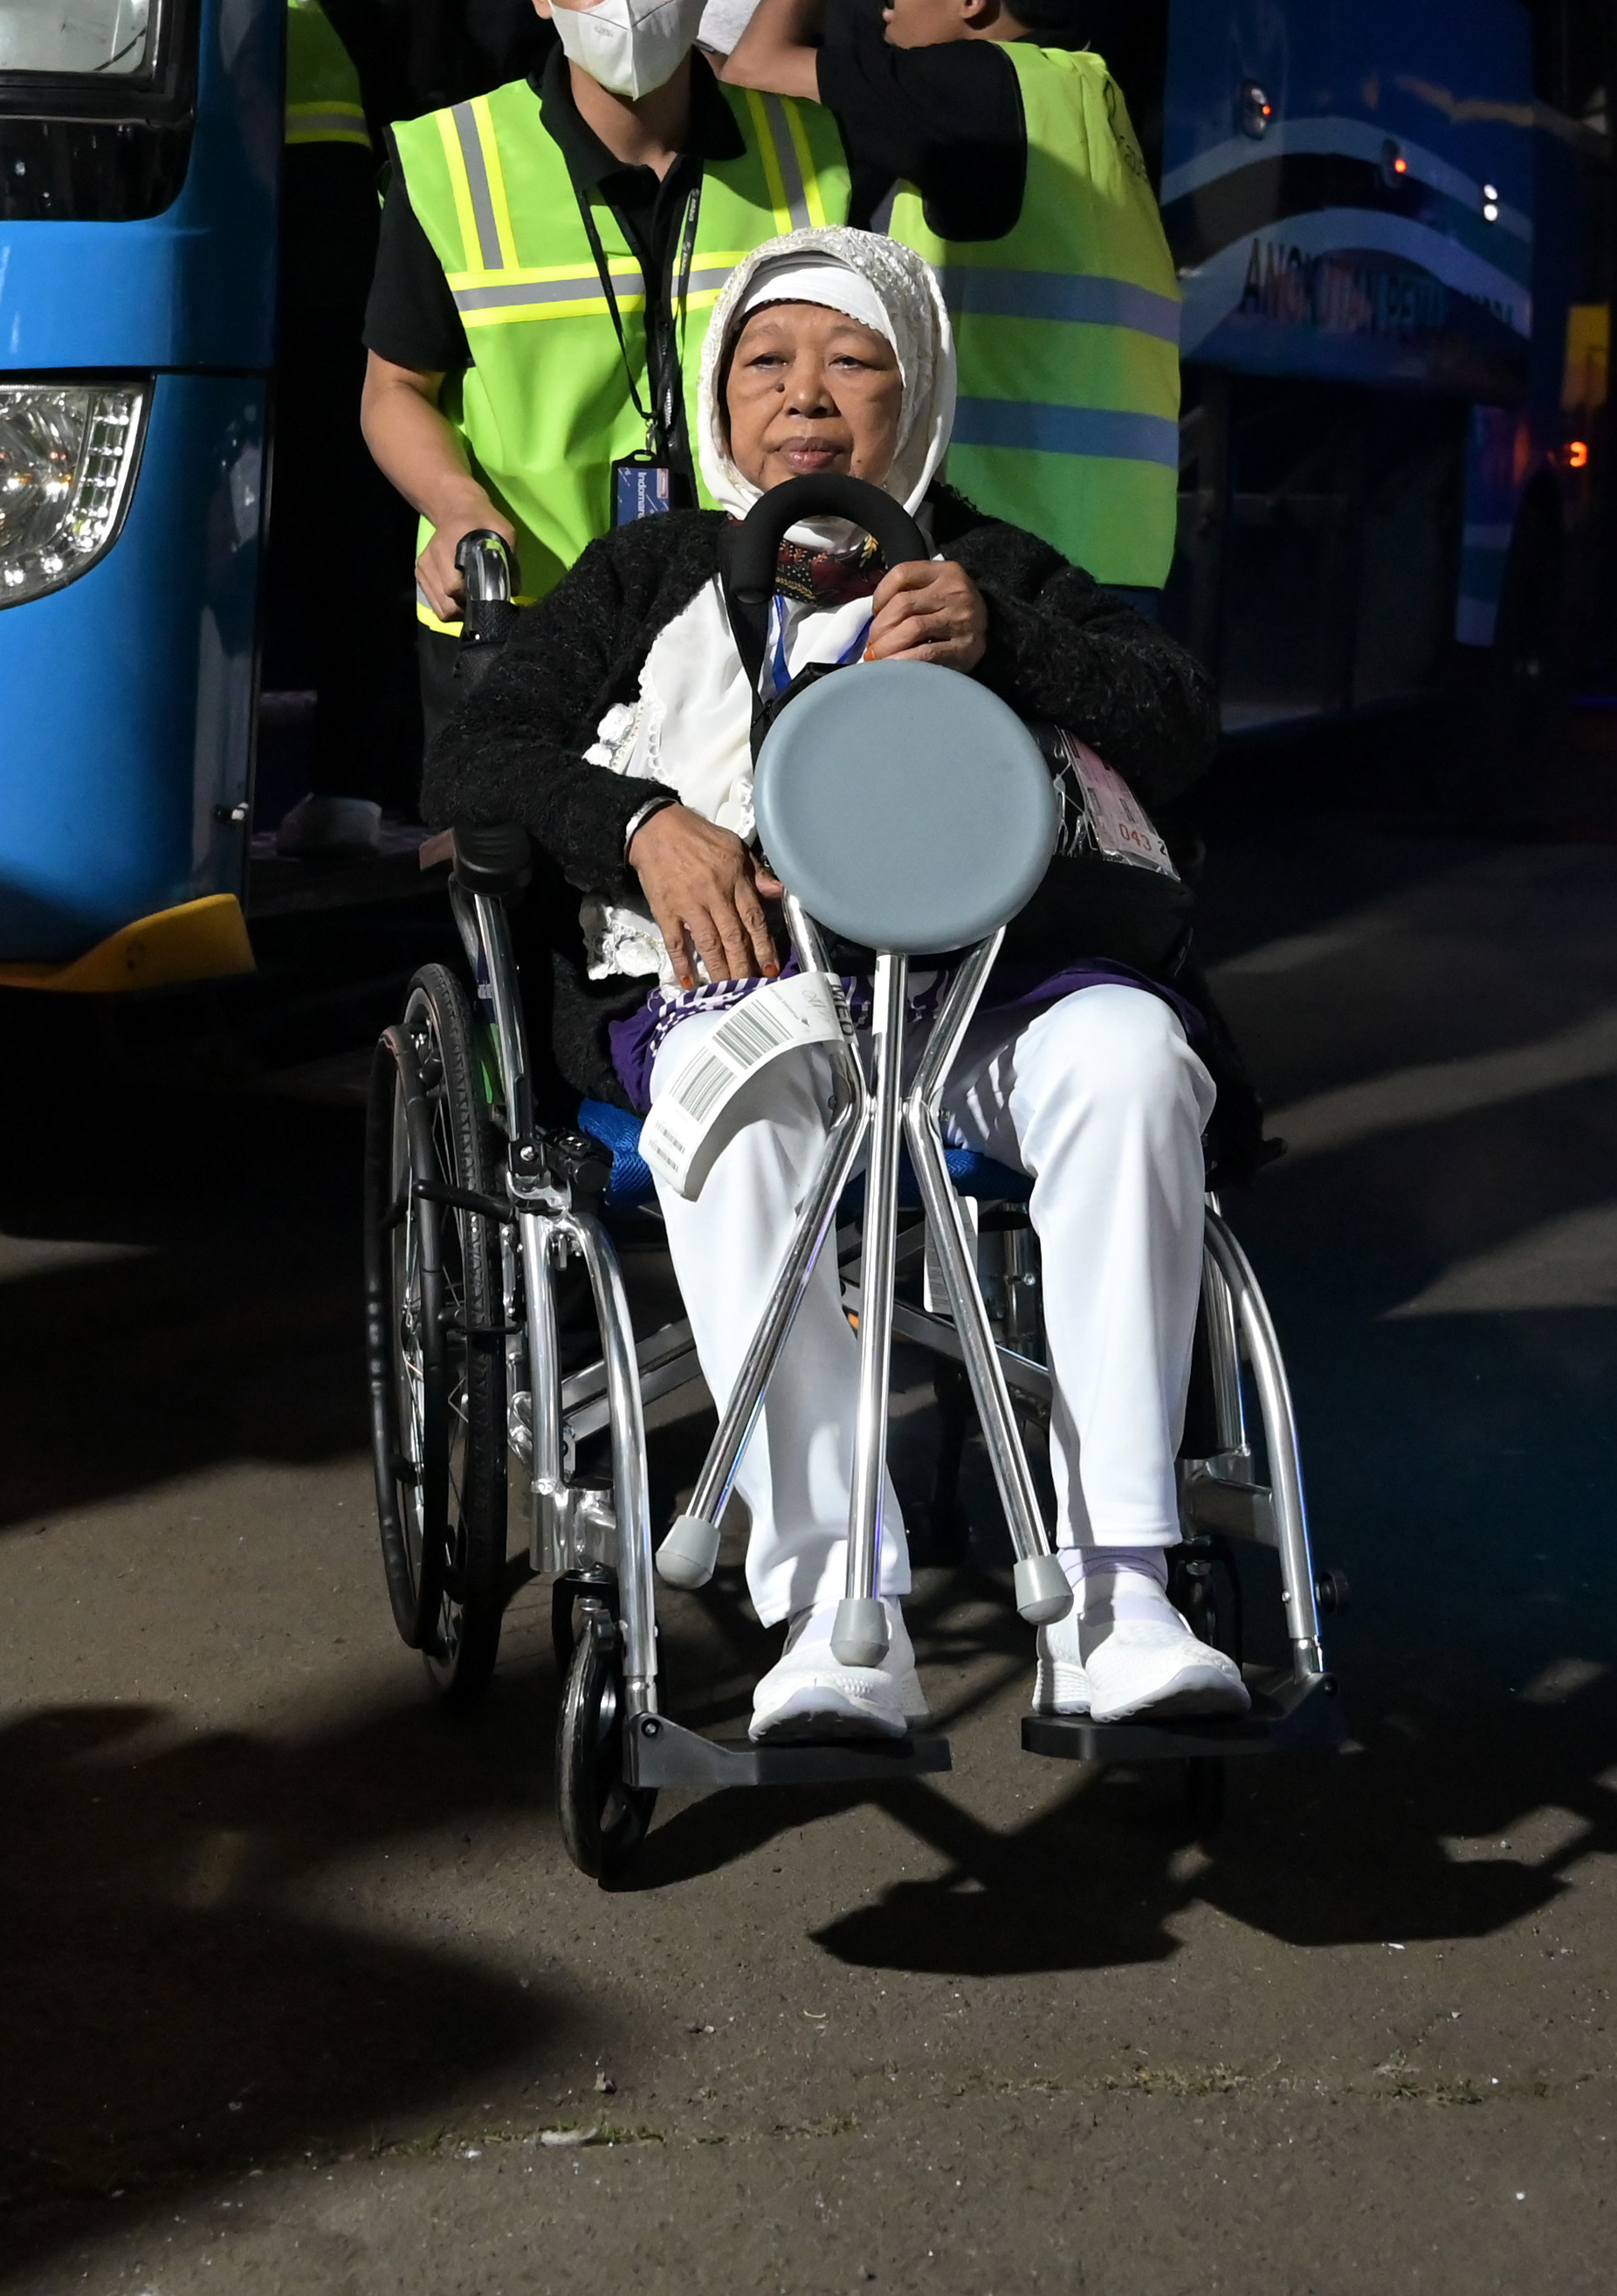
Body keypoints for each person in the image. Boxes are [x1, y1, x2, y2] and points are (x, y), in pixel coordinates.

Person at [435, 226, 1239, 1743]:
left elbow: (1178, 721)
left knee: (1133, 1060)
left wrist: (1005, 645)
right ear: (718, 396)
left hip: (983, 1000)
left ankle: (1126, 1593)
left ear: (915, 389)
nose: (804, 395)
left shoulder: (988, 567)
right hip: (744, 986)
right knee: (739, 1094)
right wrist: (637, 827)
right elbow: (475, 755)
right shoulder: (645, 573)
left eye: (852, 361)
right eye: (766, 361)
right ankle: (831, 1610)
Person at [357, 0, 855, 773]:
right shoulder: (451, 161)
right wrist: (454, 504)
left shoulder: (817, 152)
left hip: (762, 618)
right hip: (525, 626)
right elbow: (393, 391)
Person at [720, 0, 1186, 590]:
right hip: (1113, 545)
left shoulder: (976, 88)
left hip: (1005, 554)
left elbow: (752, 60)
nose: (883, 13)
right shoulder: (1083, 93)